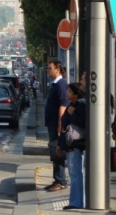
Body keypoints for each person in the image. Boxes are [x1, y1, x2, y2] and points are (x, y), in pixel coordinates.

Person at [57, 82, 86, 210]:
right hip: (69, 143)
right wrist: (60, 144)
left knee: (76, 174)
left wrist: (72, 113)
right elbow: (64, 123)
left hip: (76, 144)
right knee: (73, 174)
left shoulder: (81, 105)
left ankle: (78, 202)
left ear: (76, 94)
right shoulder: (72, 104)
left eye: (69, 91)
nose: (67, 93)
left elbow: (83, 122)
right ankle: (75, 201)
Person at [44, 60, 69, 192]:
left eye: (50, 68)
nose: (48, 70)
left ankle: (61, 181)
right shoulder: (56, 84)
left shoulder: (61, 85)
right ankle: (57, 179)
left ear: (57, 70)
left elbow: (63, 105)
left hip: (56, 125)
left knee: (57, 151)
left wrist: (60, 124)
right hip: (52, 124)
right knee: (55, 151)